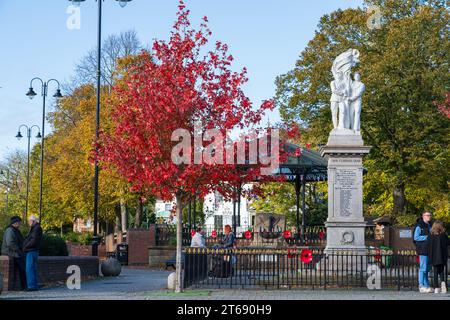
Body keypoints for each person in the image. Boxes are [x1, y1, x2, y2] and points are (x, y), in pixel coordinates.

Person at [1, 216, 26, 290]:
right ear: (15, 222)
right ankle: (23, 286)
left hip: (15, 252)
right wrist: (18, 250)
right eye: (20, 222)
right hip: (11, 252)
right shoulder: (10, 230)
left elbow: (21, 240)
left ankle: (22, 286)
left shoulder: (16, 230)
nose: (20, 224)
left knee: (21, 268)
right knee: (22, 268)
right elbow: (10, 243)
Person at [414, 212, 433, 293]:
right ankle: (421, 285)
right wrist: (427, 237)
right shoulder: (419, 226)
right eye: (427, 215)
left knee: (427, 268)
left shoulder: (430, 225)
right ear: (423, 216)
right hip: (422, 249)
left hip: (429, 249)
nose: (429, 217)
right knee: (423, 268)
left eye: (430, 215)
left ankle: (427, 285)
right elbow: (416, 237)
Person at [428, 221, 449, 294]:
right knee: (442, 271)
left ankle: (436, 287)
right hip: (442, 256)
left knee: (435, 272)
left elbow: (429, 246)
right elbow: (448, 243)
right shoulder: (443, 235)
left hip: (434, 256)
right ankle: (443, 285)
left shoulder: (430, 235)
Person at [23, 215, 43, 291]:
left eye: (29, 221)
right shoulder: (35, 228)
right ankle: (34, 285)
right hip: (33, 250)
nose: (29, 222)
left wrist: (25, 247)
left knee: (29, 269)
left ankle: (31, 286)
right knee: (33, 268)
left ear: (33, 221)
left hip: (31, 250)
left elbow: (33, 241)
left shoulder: (36, 228)